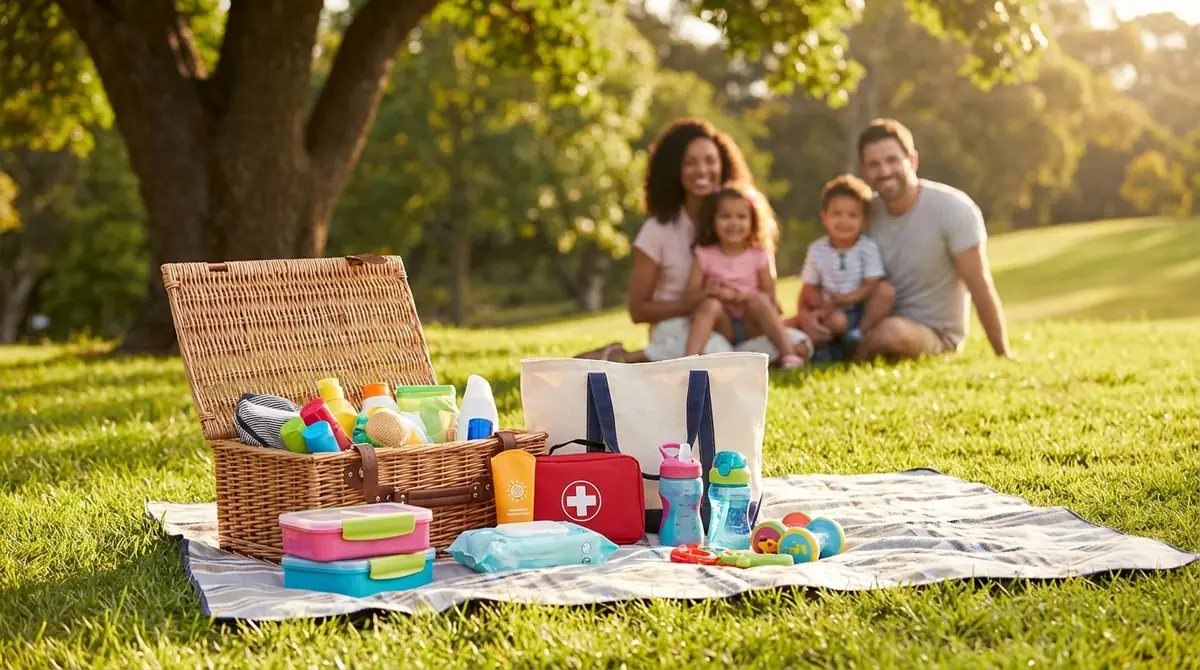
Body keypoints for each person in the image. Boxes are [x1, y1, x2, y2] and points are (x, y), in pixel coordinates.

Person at [577, 118, 808, 363]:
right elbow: (638, 310)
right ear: (674, 170)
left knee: (800, 343)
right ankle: (624, 357)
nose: (702, 170)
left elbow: (768, 298)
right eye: (690, 163)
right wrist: (697, 303)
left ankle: (657, 358)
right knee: (715, 351)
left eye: (710, 161)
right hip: (680, 326)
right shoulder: (658, 230)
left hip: (733, 326)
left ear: (723, 164)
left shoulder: (744, 223)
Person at [801, 118, 1010, 361]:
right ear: (864, 171)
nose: (884, 171)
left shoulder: (953, 209)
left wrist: (1003, 354)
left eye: (892, 160)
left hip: (932, 332)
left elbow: (979, 284)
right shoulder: (864, 214)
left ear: (912, 161)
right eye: (874, 164)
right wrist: (807, 316)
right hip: (864, 319)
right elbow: (824, 268)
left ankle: (842, 357)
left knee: (892, 332)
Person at [684, 183, 807, 368]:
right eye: (725, 216)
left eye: (741, 217)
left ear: (753, 221)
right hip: (723, 326)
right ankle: (687, 362)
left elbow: (769, 295)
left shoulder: (758, 253)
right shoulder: (704, 254)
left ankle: (789, 355)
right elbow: (690, 296)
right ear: (713, 220)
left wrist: (739, 296)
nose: (734, 223)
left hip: (752, 326)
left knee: (759, 300)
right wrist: (708, 292)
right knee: (710, 305)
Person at [789, 174, 894, 355]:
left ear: (863, 221)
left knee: (886, 291)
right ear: (824, 217)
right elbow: (809, 285)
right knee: (836, 322)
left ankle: (859, 334)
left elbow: (871, 284)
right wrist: (815, 306)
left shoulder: (867, 247)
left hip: (862, 306)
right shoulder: (817, 249)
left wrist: (848, 298)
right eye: (836, 214)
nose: (844, 221)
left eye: (852, 215)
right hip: (832, 308)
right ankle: (830, 348)